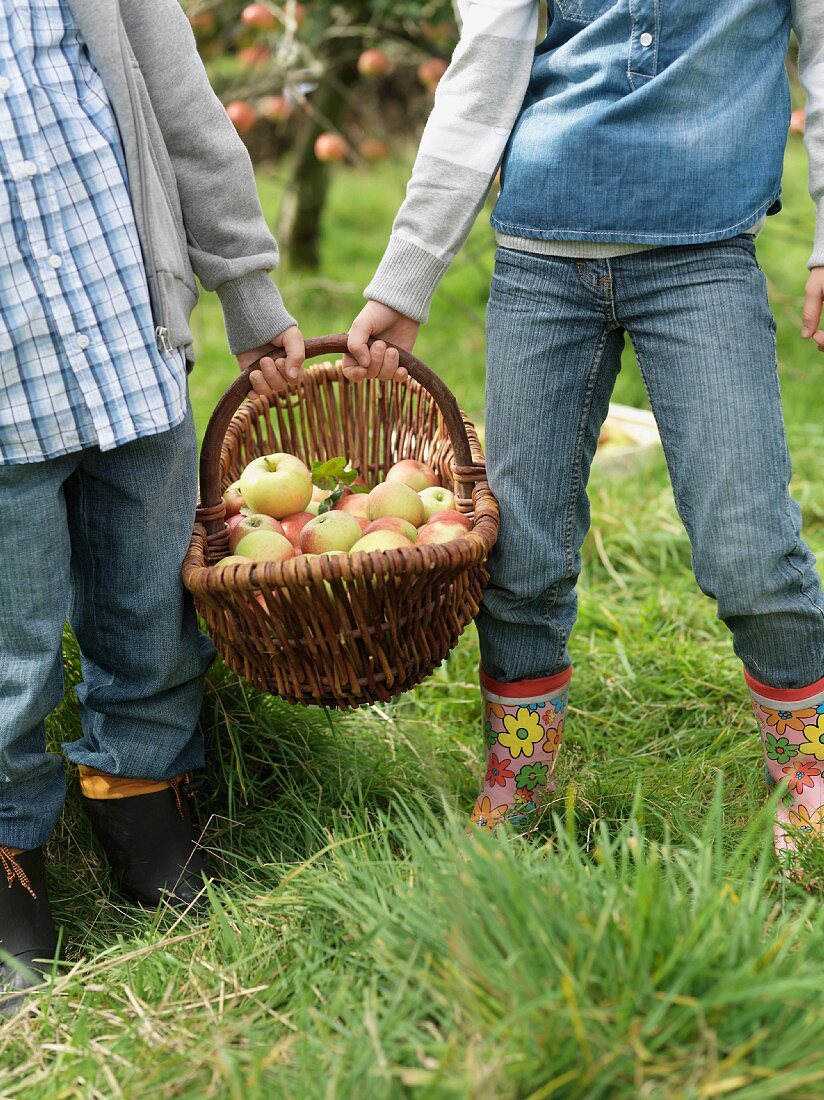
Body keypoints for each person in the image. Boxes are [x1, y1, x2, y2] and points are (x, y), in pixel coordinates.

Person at [345, 2, 824, 857]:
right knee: (520, 547)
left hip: (704, 256)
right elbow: (484, 66)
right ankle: (518, 777)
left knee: (749, 544)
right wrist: (409, 273)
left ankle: (806, 776)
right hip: (542, 257)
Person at [0, 0, 304, 999]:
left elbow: (181, 106)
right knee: (10, 645)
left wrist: (248, 288)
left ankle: (140, 790)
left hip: (127, 338)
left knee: (151, 607)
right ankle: (8, 851)